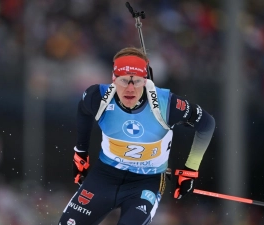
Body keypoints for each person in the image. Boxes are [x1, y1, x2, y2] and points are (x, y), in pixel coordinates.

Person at [58, 47, 215, 225]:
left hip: (146, 182)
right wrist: (80, 152)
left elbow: (207, 123)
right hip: (105, 177)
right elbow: (83, 110)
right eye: (124, 81)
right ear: (113, 79)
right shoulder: (98, 97)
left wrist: (191, 170)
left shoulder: (166, 104)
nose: (130, 89)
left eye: (137, 82)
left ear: (145, 80)